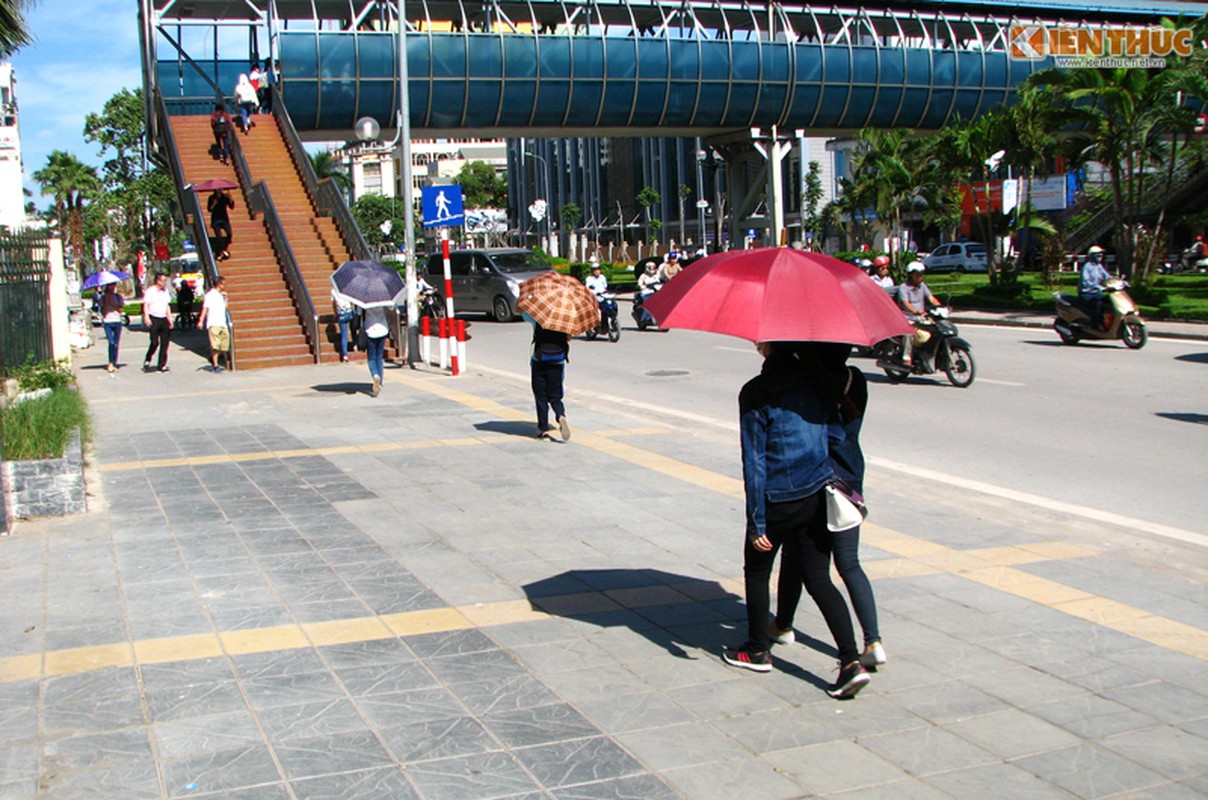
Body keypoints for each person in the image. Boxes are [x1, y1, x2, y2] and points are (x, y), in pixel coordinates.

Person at [723, 341, 869, 699]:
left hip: (776, 499)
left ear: (767, 346)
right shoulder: (816, 382)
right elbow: (830, 439)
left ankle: (757, 649)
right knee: (819, 577)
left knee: (757, 572)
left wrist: (757, 521)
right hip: (815, 493)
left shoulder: (757, 392)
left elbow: (754, 460)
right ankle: (851, 661)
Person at [769, 350, 885, 670]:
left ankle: (783, 626)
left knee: (796, 554)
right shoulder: (855, 380)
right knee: (849, 564)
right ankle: (873, 640)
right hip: (850, 480)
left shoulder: (806, 380)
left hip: (815, 480)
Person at [528, 317, 571, 441]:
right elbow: (568, 338)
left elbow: (519, 310)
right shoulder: (565, 319)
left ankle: (543, 429)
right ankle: (560, 415)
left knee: (541, 397)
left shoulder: (538, 317)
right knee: (555, 396)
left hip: (540, 361)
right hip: (557, 362)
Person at [896, 261, 941, 366]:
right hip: (908, 317)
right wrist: (915, 311)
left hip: (921, 317)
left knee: (936, 329)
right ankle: (906, 357)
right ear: (911, 274)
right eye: (917, 274)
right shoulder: (904, 287)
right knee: (909, 333)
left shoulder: (922, 286)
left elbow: (931, 298)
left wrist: (940, 307)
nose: (920, 276)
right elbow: (905, 303)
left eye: (921, 274)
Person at [197, 276, 230, 372]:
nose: (224, 286)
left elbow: (225, 308)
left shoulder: (221, 295)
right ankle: (215, 365)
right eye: (223, 284)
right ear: (219, 284)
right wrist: (201, 320)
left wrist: (226, 298)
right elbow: (205, 308)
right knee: (215, 345)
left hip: (222, 322)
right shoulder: (210, 295)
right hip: (213, 322)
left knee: (224, 345)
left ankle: (214, 357)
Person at [142, 272, 173, 373]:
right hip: (154, 318)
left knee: (165, 343)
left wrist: (170, 318)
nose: (165, 283)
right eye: (163, 281)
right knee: (155, 342)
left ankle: (161, 365)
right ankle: (148, 358)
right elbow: (146, 304)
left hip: (163, 318)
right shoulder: (151, 291)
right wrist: (146, 317)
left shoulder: (165, 292)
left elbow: (167, 306)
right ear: (158, 281)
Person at [1079, 245, 1111, 329]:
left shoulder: (1099, 266)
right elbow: (1086, 281)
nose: (1100, 257)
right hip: (1086, 293)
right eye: (1098, 255)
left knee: (1109, 300)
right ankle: (1096, 324)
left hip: (1096, 293)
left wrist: (1119, 282)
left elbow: (1107, 277)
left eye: (1101, 255)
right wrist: (1098, 287)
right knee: (1098, 303)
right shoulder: (1087, 267)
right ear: (1092, 256)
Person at [362, 305, 389, 396]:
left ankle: (375, 375)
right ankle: (380, 382)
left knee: (372, 358)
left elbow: (358, 313)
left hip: (370, 330)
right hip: (383, 329)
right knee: (379, 357)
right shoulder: (382, 298)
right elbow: (392, 307)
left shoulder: (364, 301)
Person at [99, 283, 124, 374]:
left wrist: (114, 304)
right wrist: (106, 302)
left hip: (117, 321)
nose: (112, 287)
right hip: (107, 322)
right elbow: (103, 312)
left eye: (113, 285)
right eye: (110, 285)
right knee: (111, 342)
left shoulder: (118, 297)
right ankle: (110, 362)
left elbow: (121, 310)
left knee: (116, 344)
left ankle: (114, 363)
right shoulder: (103, 298)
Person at [208, 189, 234, 261]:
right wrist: (214, 204)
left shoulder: (224, 197)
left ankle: (223, 249)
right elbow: (209, 209)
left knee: (229, 234)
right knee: (219, 237)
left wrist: (230, 199)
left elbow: (231, 206)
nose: (219, 191)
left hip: (224, 219)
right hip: (216, 220)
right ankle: (218, 253)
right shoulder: (212, 198)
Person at [332, 287, 354, 362]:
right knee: (353, 327)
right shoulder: (347, 289)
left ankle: (345, 355)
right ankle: (355, 344)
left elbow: (334, 304)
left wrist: (335, 313)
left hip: (341, 314)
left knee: (344, 335)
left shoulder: (333, 291)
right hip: (349, 312)